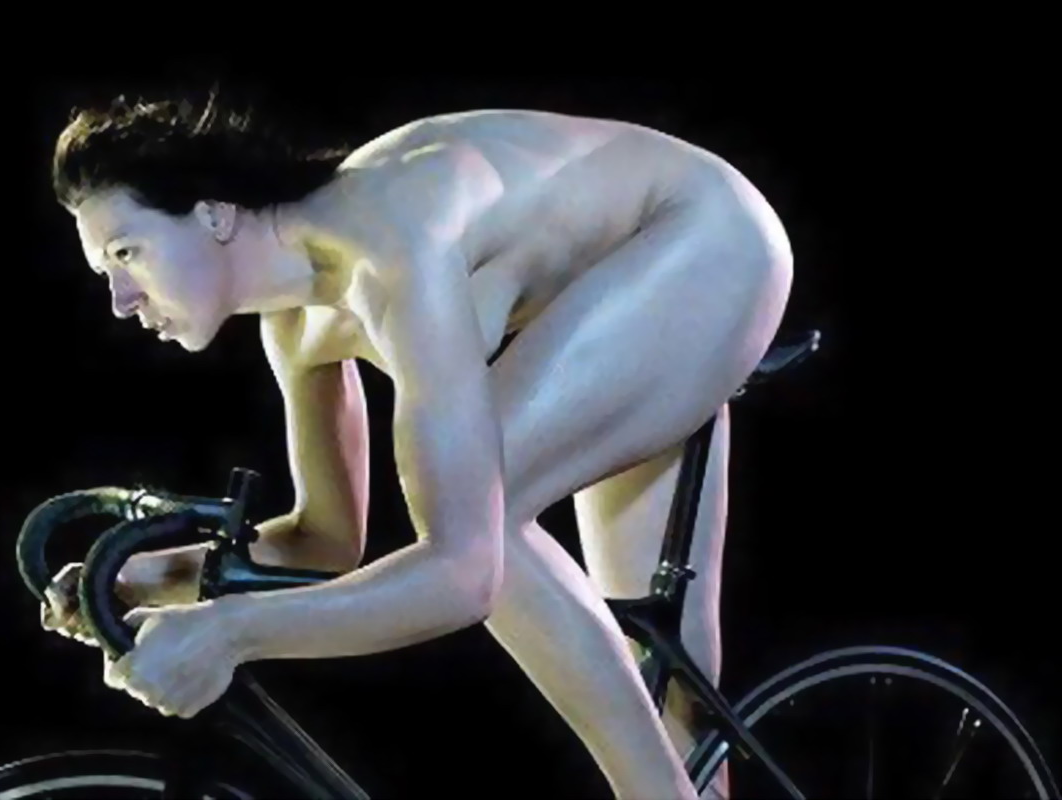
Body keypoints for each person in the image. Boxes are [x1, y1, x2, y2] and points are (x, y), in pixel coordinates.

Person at [40, 93, 793, 800]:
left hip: (700, 236)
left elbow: (465, 574)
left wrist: (228, 634)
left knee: (485, 510)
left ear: (212, 214)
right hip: (612, 286)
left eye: (128, 252)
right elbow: (324, 542)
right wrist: (143, 578)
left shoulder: (383, 243)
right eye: (106, 272)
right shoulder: (295, 327)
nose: (121, 300)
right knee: (669, 686)